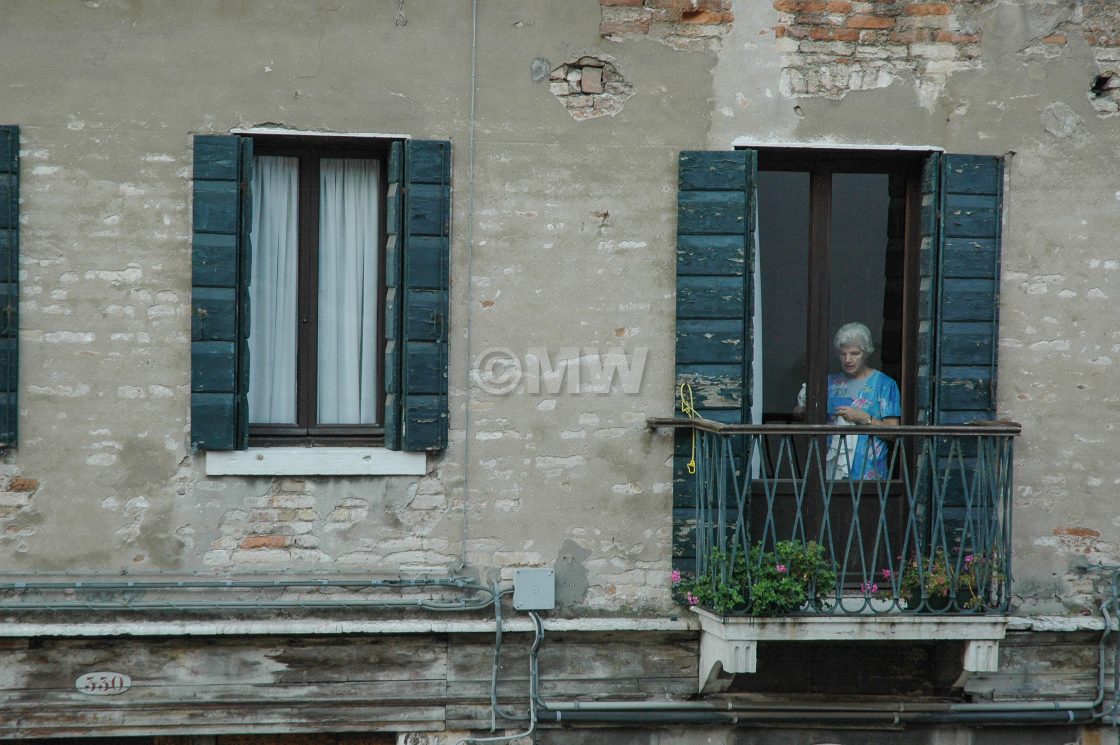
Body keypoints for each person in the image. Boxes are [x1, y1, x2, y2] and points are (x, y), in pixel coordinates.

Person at [799, 322, 901, 479]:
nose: (848, 359)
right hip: (830, 472)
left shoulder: (885, 385)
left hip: (868, 474)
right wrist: (805, 409)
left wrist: (863, 418)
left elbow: (893, 432)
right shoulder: (829, 383)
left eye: (854, 353)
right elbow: (800, 414)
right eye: (843, 353)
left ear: (866, 353)